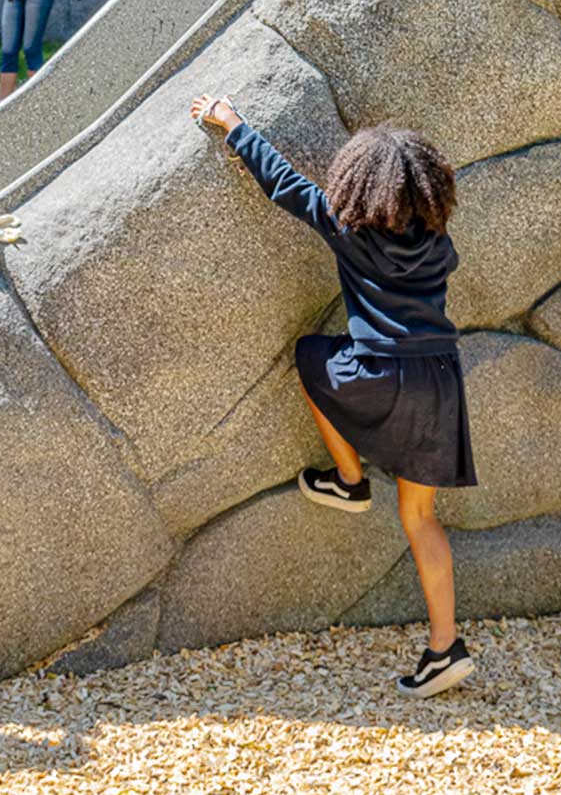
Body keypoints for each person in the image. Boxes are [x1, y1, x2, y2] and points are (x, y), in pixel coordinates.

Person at [189, 94, 478, 698]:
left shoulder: (346, 230)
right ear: (426, 191)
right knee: (420, 516)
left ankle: (349, 480)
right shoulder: (439, 243)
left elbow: (282, 183)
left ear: (357, 185)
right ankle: (445, 647)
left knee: (310, 357)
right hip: (440, 382)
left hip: (379, 374)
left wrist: (232, 122)